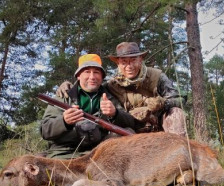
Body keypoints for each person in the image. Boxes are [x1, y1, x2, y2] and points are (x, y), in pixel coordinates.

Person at [58, 42, 187, 136]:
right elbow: (91, 87)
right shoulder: (112, 85)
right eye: (124, 62)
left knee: (176, 113)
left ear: (141, 59)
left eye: (133, 60)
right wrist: (70, 86)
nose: (129, 66)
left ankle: (181, 156)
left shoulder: (157, 77)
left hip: (160, 126)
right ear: (118, 63)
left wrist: (163, 103)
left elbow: (180, 100)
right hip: (131, 131)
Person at [40, 54, 135, 159]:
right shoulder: (64, 96)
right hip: (66, 153)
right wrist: (64, 121)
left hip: (98, 151)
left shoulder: (109, 96)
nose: (92, 77)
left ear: (102, 77)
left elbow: (130, 123)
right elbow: (45, 130)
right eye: (87, 72)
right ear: (78, 76)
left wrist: (115, 113)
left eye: (96, 72)